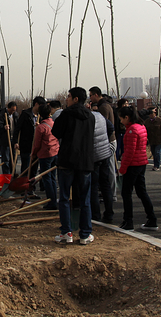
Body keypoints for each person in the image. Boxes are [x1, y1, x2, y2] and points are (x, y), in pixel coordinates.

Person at [51, 87, 95, 245]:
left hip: (67, 160)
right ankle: (85, 234)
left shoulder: (66, 114)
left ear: (76, 99)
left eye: (69, 96)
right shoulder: (90, 116)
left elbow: (56, 132)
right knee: (85, 199)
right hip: (85, 161)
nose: (67, 99)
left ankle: (66, 232)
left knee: (64, 197)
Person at [117, 106, 157, 231]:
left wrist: (122, 169)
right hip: (141, 162)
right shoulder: (141, 126)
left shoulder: (131, 130)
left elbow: (129, 152)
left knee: (126, 193)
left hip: (133, 165)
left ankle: (128, 221)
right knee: (141, 192)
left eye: (121, 118)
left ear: (127, 117)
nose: (120, 121)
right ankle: (152, 219)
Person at [13, 96, 46, 191]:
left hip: (37, 146)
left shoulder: (41, 116)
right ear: (36, 104)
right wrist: (16, 141)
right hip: (26, 144)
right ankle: (24, 187)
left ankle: (31, 188)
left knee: (34, 168)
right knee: (26, 167)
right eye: (41, 106)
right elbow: (17, 128)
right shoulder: (26, 114)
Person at [31, 104, 59, 210]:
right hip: (55, 152)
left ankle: (51, 202)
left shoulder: (41, 127)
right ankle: (54, 200)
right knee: (52, 178)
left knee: (47, 178)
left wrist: (33, 154)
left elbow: (37, 144)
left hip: (45, 155)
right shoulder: (53, 123)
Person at [90, 106, 115, 223]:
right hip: (105, 153)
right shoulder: (100, 116)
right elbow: (111, 128)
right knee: (105, 185)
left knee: (93, 186)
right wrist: (105, 140)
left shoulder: (86, 118)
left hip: (93, 155)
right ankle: (109, 213)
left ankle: (95, 215)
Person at [0, 102, 18, 174]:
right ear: (8, 108)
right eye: (12, 110)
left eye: (14, 110)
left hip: (13, 139)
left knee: (13, 158)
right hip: (5, 140)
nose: (13, 112)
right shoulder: (2, 115)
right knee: (6, 159)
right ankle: (6, 174)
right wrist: (4, 127)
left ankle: (13, 173)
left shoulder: (15, 115)